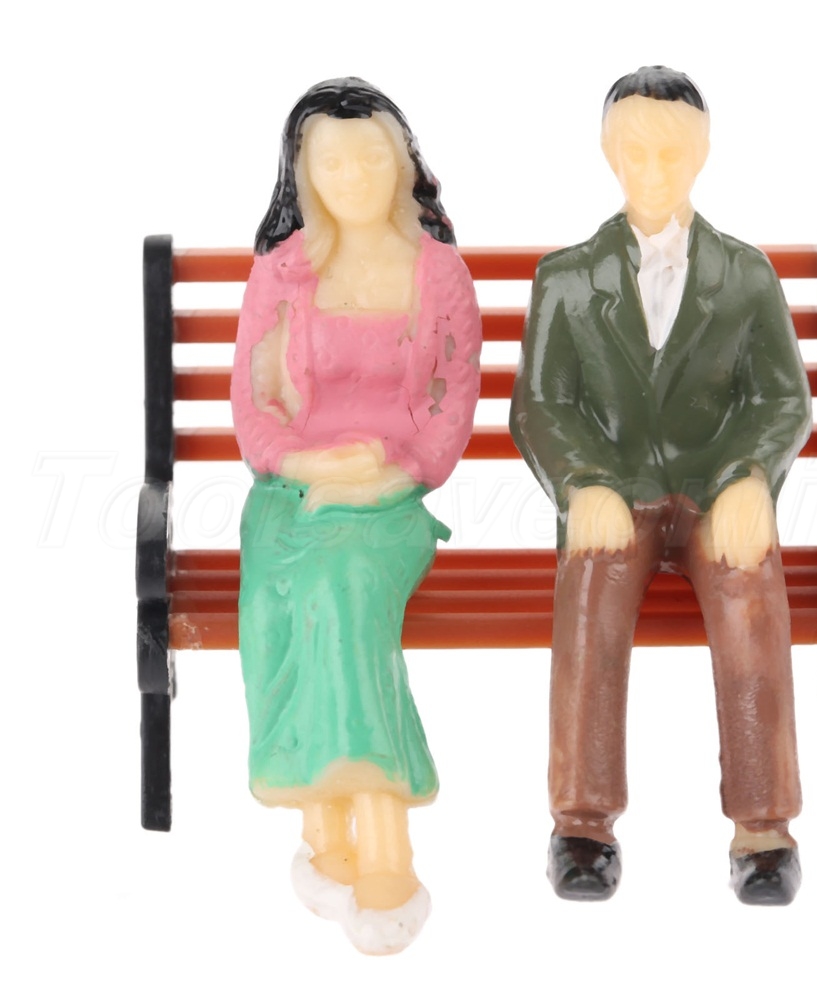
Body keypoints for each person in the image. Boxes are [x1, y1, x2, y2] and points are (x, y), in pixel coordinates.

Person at [510, 66, 811, 906]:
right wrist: (583, 483)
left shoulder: (745, 275)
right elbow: (540, 406)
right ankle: (581, 823)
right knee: (592, 585)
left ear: (702, 153)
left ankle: (764, 828)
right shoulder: (567, 279)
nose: (653, 167)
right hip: (617, 488)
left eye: (672, 151)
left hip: (714, 487)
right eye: (636, 150)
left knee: (749, 585)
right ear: (610, 155)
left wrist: (750, 475)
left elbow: (781, 399)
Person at [231, 78, 481, 952]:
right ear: (303, 174)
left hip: (388, 505)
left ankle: (372, 840)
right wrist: (309, 464)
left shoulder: (439, 275)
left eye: (370, 157)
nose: (353, 176)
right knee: (291, 596)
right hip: (291, 499)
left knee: (343, 586)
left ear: (403, 163)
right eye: (330, 162)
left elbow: (451, 409)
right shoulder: (283, 273)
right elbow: (254, 411)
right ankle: (337, 831)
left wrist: (391, 474)